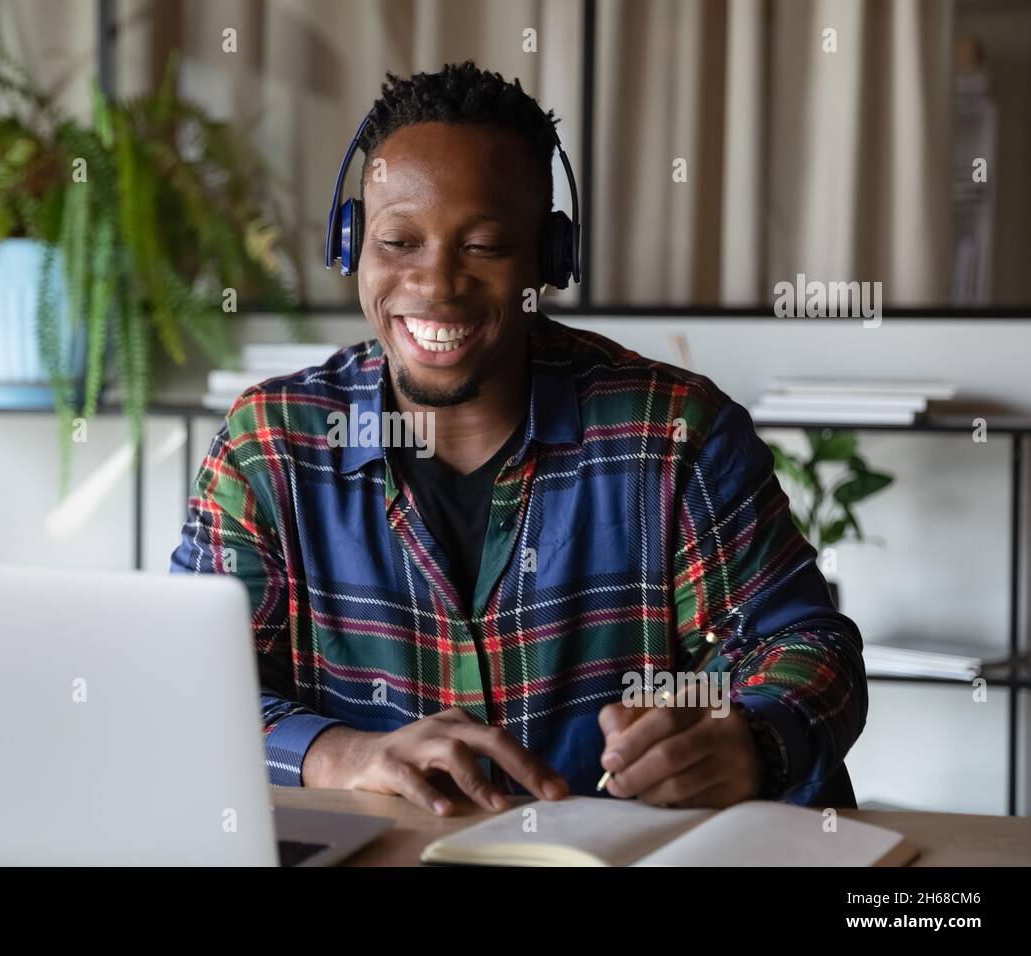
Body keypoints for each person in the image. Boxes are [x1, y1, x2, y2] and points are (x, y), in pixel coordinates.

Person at [170, 62, 866, 816]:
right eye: (399, 241)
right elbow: (185, 686)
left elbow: (810, 652)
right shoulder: (270, 445)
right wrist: (348, 754)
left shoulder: (672, 435)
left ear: (549, 259)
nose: (436, 286)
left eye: (485, 246)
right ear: (351, 246)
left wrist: (753, 741)